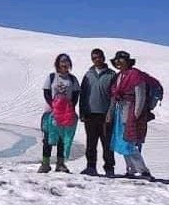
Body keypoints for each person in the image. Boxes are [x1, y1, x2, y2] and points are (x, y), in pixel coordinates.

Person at [106, 50, 154, 181]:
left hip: (130, 112)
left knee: (130, 143)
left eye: (121, 60)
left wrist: (136, 114)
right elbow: (114, 96)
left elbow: (140, 95)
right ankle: (130, 169)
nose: (118, 63)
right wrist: (110, 113)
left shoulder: (135, 75)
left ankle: (143, 171)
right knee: (122, 142)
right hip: (120, 112)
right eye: (116, 60)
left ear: (127, 61)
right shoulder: (119, 76)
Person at [38, 53, 80, 173]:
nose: (64, 64)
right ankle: (45, 163)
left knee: (62, 137)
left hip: (66, 113)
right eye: (62, 61)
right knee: (48, 137)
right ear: (58, 63)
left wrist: (69, 107)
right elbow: (46, 92)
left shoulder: (72, 79)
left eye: (66, 61)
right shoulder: (52, 77)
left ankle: (60, 164)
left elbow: (76, 94)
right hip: (51, 112)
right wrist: (54, 105)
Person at [78, 48, 117, 177]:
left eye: (99, 57)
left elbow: (114, 96)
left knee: (107, 144)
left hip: (105, 115)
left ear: (103, 58)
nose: (97, 59)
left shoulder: (111, 74)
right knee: (91, 143)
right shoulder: (88, 74)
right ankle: (91, 167)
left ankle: (109, 168)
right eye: (94, 58)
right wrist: (82, 111)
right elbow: (83, 94)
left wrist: (110, 113)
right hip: (90, 115)